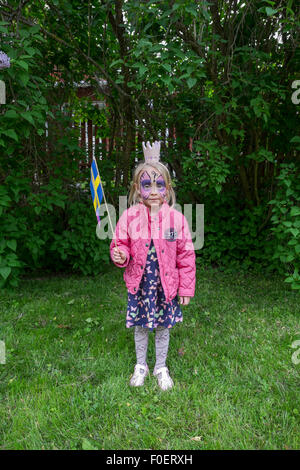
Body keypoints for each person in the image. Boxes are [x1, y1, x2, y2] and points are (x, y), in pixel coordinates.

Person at [110, 141, 196, 391]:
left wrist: (186, 289)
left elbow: (186, 255)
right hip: (140, 285)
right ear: (138, 189)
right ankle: (141, 365)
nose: (154, 190)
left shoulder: (176, 219)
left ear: (168, 189)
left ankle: (160, 366)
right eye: (147, 184)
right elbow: (121, 244)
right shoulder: (129, 217)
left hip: (165, 287)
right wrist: (120, 255)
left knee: (162, 327)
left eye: (159, 184)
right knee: (140, 326)